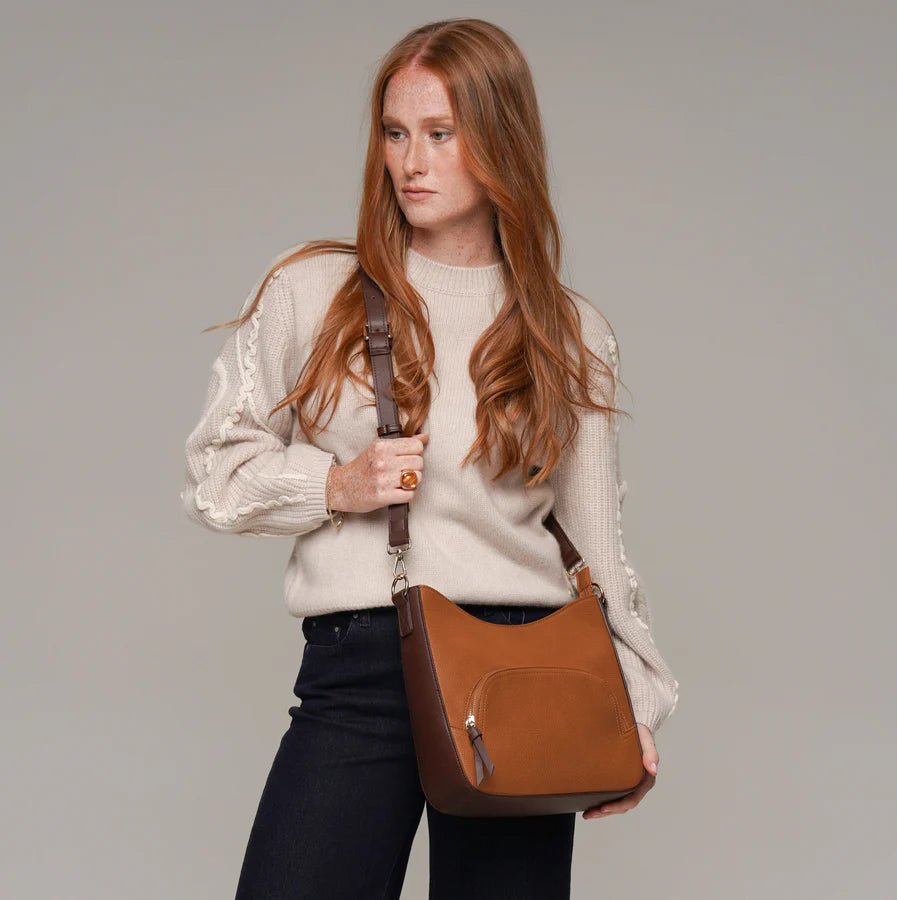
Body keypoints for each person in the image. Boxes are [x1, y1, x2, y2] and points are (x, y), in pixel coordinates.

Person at [180, 17, 678, 900]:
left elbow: (600, 538)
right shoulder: (315, 292)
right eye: (395, 133)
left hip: (525, 676)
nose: (410, 161)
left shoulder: (570, 330)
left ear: (500, 140)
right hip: (364, 665)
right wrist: (335, 484)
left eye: (441, 135)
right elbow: (215, 472)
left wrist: (637, 705)